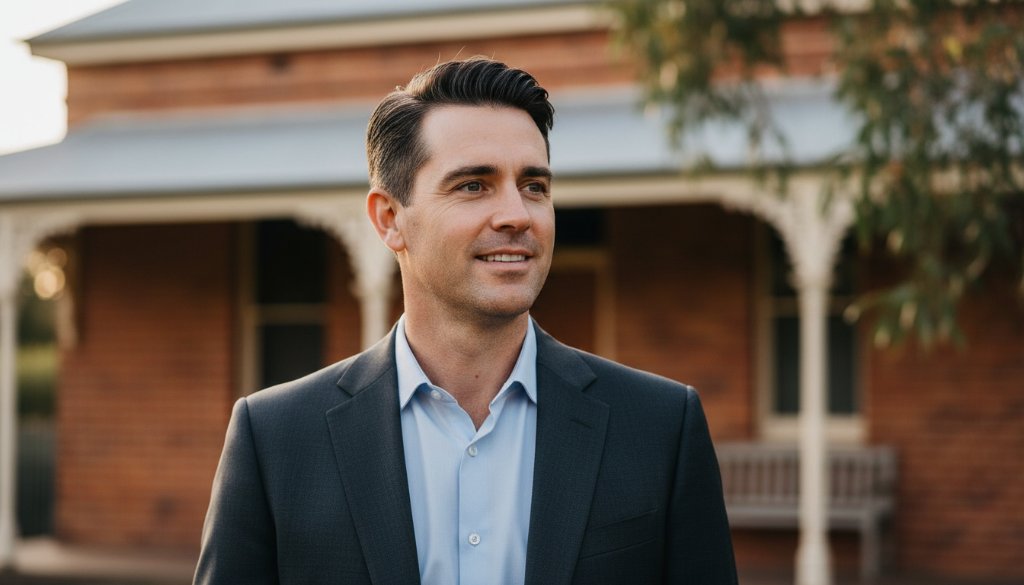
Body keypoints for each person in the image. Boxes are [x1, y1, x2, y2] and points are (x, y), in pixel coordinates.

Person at [194, 57, 737, 585]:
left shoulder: (661, 427)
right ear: (390, 219)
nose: (517, 215)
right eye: (473, 185)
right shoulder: (275, 440)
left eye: (534, 186)